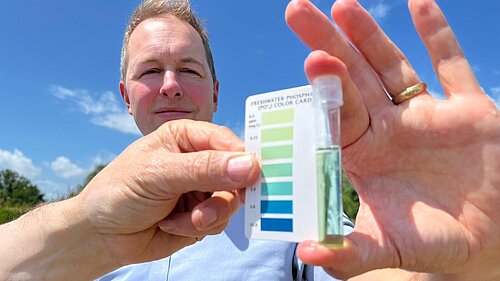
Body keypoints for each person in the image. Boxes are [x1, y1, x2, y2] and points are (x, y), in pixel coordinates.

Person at [1, 0, 499, 280]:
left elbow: (367, 269)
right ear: (125, 97)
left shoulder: (284, 192)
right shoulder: (80, 232)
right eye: (151, 70)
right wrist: (87, 224)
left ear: (215, 93)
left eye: (189, 70)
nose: (171, 83)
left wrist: (456, 268)